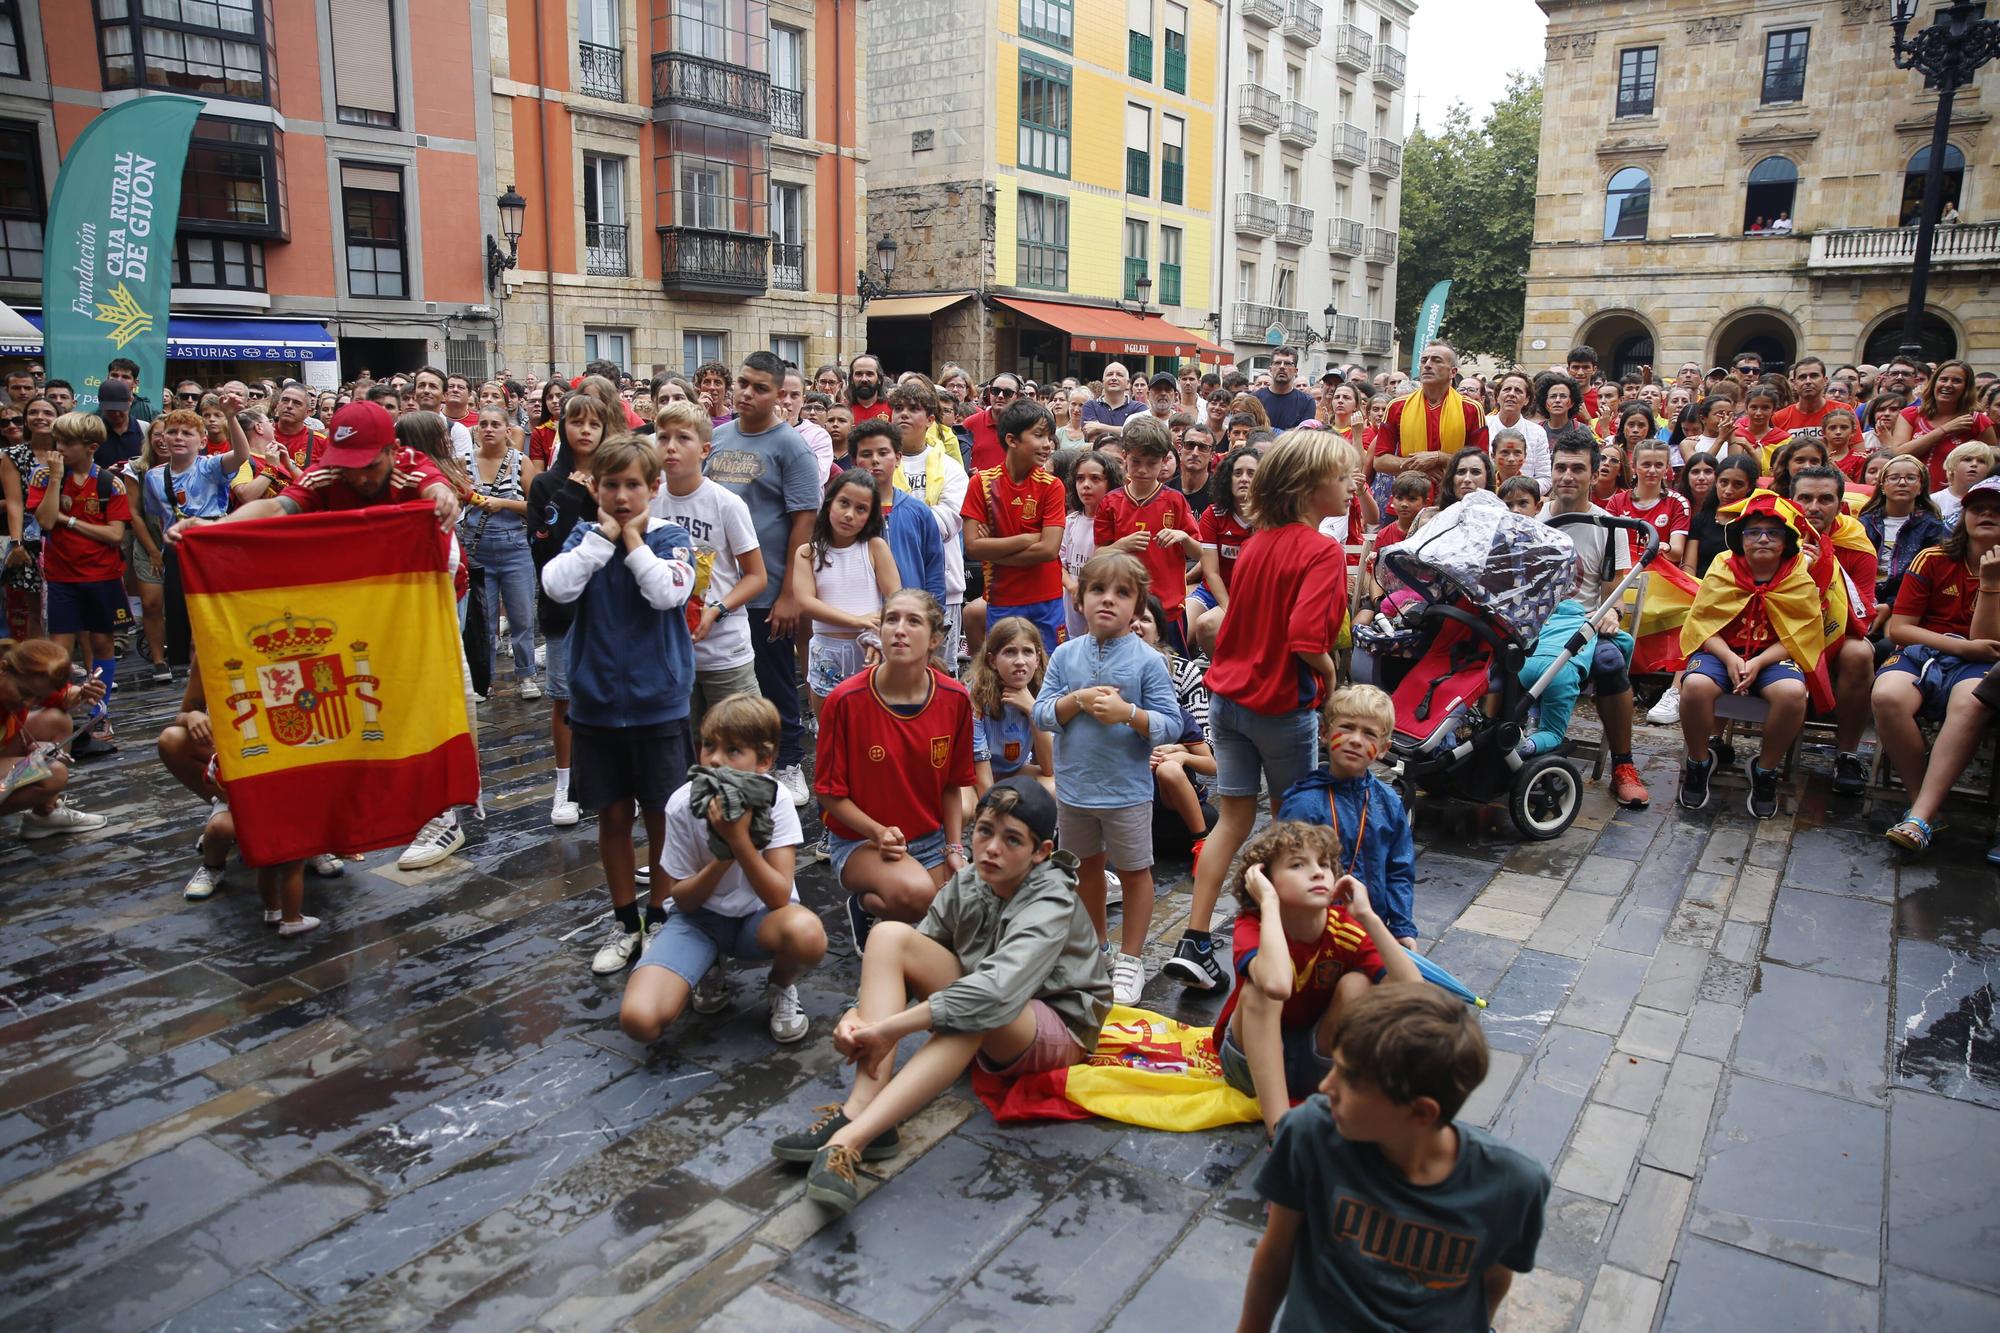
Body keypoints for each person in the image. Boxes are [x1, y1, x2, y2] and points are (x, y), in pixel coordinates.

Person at [770, 777, 1111, 1214]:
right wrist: (858, 1018)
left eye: (1012, 840)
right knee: (890, 936)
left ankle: (849, 1142)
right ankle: (860, 1110)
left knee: (974, 1015)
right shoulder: (970, 880)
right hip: (994, 1003)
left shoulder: (1052, 897)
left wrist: (886, 1029)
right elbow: (917, 956)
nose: (991, 848)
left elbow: (992, 995)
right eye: (985, 831)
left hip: (1060, 1026)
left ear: (1041, 852)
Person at [1237, 985, 1551, 1333]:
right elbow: (1275, 1255)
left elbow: (1494, 1279)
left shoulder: (1512, 1184)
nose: (1325, 1086)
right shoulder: (1310, 1133)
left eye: (1349, 1079)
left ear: (1420, 1112)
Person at [1168, 432, 1353, 992]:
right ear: (1308, 487)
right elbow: (1304, 638)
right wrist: (1330, 676)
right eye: (1343, 478)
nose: (1351, 487)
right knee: (1295, 827)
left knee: (1233, 820)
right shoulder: (1320, 551)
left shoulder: (1256, 544)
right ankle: (1289, 944)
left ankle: (1195, 941)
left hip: (1227, 699)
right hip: (1278, 706)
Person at [540, 435, 698, 974]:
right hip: (598, 705)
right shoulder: (585, 538)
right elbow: (557, 588)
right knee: (610, 814)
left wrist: (633, 544)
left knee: (661, 816)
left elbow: (666, 593)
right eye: (612, 485)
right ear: (596, 488)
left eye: (634, 484)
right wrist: (600, 541)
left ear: (654, 488)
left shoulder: (672, 537)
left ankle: (660, 914)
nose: (623, 495)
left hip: (659, 704)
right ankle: (624, 918)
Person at [617, 694, 824, 1047]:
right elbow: (681, 897)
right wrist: (723, 856)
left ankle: (781, 984)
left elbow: (777, 896)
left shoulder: (776, 800)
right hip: (698, 921)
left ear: (764, 761)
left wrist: (739, 842)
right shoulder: (684, 803)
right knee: (640, 1021)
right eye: (709, 746)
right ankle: (704, 966)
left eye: (732, 751)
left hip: (758, 920)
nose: (714, 760)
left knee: (807, 933)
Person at [1213, 817, 1422, 1142]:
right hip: (1250, 1066)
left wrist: (1368, 917)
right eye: (1297, 864)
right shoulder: (1253, 925)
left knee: (1359, 984)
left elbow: (1416, 994)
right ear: (1265, 880)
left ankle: (1331, 1093)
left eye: (1324, 864)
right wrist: (1268, 903)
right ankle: (1282, 1130)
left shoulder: (1344, 927)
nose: (1317, 872)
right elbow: (1278, 985)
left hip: (1318, 1062)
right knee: (1259, 992)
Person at [1032, 550, 1178, 1004]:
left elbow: (1172, 724)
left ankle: (1131, 959)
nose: (1108, 600)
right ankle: (1096, 948)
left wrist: (1128, 713)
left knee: (1135, 872)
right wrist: (1074, 700)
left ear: (1138, 606)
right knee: (1086, 870)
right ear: (1079, 600)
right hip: (1075, 790)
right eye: (1097, 590)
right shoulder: (1064, 654)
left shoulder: (1147, 660)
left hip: (1127, 791)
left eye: (1122, 593)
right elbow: (1040, 712)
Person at [814, 589, 974, 945]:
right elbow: (827, 793)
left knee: (962, 915)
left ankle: (889, 909)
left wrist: (954, 850)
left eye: (913, 621)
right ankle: (866, 905)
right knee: (917, 897)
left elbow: (952, 785)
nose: (899, 629)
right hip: (860, 842)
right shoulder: (846, 700)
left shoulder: (955, 698)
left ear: (935, 639)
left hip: (929, 838)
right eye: (892, 619)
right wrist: (876, 832)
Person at [706, 351, 821, 806]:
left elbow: (804, 521)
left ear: (779, 395)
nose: (747, 394)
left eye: (760, 387)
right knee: (727, 680)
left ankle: (790, 762)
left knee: (774, 680)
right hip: (720, 588)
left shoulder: (791, 446)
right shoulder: (717, 437)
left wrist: (792, 592)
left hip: (768, 588)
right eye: (743, 383)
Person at [1675, 495, 1828, 818]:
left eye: (1773, 533)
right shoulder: (1722, 566)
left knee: (1792, 694)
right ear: (1739, 538)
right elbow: (1701, 622)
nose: (1762, 539)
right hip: (1721, 652)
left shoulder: (1798, 573)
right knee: (1695, 687)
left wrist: (1758, 662)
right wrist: (1730, 658)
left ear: (1786, 540)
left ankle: (1765, 770)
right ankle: (1699, 761)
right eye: (1753, 532)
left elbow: (1803, 632)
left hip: (1771, 658)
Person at [1876, 478, 2000, 850]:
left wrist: (1991, 584)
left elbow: (1987, 640)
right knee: (1887, 697)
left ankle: (1920, 817)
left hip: (1984, 661)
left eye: (1997, 510)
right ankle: (1923, 806)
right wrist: (1958, 647)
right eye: (1979, 508)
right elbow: (1899, 628)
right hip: (1927, 651)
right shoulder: (1933, 558)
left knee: (1971, 703)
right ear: (1963, 515)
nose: (1987, 515)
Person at [1539, 428, 1649, 808]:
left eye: (1577, 469)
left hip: (1584, 625)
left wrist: (1612, 614)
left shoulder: (1611, 525)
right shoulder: (1532, 519)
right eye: (1560, 468)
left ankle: (1623, 763)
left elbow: (1614, 592)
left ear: (1594, 472)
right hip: (1535, 626)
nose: (1567, 476)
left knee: (1610, 661)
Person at [649, 400, 768, 734]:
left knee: (740, 739)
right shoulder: (649, 501)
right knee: (682, 749)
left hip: (724, 651)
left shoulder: (726, 503)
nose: (670, 447)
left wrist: (716, 609)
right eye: (663, 437)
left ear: (704, 450)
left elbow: (757, 576)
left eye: (682, 438)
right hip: (670, 653)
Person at [1273, 683, 1418, 945]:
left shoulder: (1387, 803)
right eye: (1347, 727)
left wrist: (1402, 928)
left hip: (1371, 930)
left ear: (1384, 748)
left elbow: (1399, 868)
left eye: (1369, 734)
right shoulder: (1304, 804)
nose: (1355, 740)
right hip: (1314, 933)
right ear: (1326, 733)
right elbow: (1284, 873)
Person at [528, 391, 614, 827]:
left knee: (605, 692)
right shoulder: (547, 483)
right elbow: (545, 548)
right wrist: (568, 495)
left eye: (593, 424)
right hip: (564, 609)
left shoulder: (614, 480)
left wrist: (600, 494)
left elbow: (622, 533)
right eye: (576, 422)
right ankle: (565, 783)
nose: (584, 430)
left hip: (608, 606)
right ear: (563, 427)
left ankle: (606, 780)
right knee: (564, 696)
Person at [28, 412, 127, 748]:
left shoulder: (108, 483)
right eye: (58, 441)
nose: (59, 449)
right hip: (61, 576)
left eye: (67, 443)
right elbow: (44, 519)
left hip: (103, 575)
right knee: (59, 650)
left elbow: (114, 535)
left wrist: (68, 522)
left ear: (91, 447)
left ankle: (99, 711)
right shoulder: (44, 477)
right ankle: (59, 710)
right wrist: (56, 479)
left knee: (102, 644)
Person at [1789, 466, 1878, 794]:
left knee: (1859, 653)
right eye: (1805, 498)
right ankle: (1713, 744)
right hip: (1779, 633)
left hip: (1837, 634)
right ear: (1791, 502)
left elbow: (1863, 612)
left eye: (1825, 499)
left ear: (1841, 505)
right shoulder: (1773, 534)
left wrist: (1825, 569)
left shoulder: (1855, 544)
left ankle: (1848, 754)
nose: (1814, 506)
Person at [963, 397, 1067, 652]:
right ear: (1011, 440)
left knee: (1048, 673)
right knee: (1005, 673)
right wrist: (1028, 538)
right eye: (1039, 435)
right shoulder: (982, 483)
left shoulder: (1052, 486)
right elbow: (973, 548)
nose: (1047, 445)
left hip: (1047, 597)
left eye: (1050, 437)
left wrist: (995, 549)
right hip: (1002, 597)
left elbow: (1048, 550)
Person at [795, 469, 900, 709]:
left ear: (870, 515)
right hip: (826, 652)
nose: (849, 515)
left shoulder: (875, 548)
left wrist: (875, 637)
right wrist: (855, 620)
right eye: (844, 503)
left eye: (861, 509)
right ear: (830, 503)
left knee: (872, 727)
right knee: (829, 730)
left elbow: (896, 599)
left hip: (869, 649)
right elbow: (805, 602)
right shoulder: (807, 552)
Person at [1095, 415, 1198, 653]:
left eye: (1151, 463)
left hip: (1168, 609)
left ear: (1164, 461)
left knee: (1172, 675)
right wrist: (1121, 545)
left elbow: (1200, 551)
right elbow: (1098, 555)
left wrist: (1182, 537)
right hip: (1124, 608)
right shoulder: (1111, 502)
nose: (1142, 470)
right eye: (1136, 461)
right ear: (1125, 457)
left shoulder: (1175, 500)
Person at [888, 378, 971, 666]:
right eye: (898, 408)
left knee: (940, 671)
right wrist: (925, 510)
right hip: (890, 586)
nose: (903, 415)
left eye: (913, 408)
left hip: (943, 587)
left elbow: (947, 523)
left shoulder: (951, 469)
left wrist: (899, 514)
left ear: (931, 419)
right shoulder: (880, 464)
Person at [461, 404, 540, 699]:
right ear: (476, 430)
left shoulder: (520, 461)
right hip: (477, 549)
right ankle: (484, 680)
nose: (489, 429)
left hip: (515, 548)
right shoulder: (464, 462)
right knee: (483, 620)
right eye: (484, 424)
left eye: (496, 424)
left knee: (521, 617)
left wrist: (503, 503)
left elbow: (536, 508)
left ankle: (527, 675)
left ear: (508, 430)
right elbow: (456, 503)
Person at [0, 636, 109, 835]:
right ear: (3, 669)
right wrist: (30, 765)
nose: (29, 703)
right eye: (24, 693)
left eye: (38, 697)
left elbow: (66, 697)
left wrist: (85, 692)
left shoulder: (23, 680)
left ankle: (45, 814)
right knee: (53, 773)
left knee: (57, 720)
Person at [849, 419, 945, 610]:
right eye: (866, 454)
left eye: (883, 453)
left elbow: (934, 569)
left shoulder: (918, 511)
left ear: (898, 458)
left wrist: (934, 615)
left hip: (909, 616)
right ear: (854, 462)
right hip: (857, 618)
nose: (875, 460)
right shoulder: (844, 514)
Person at [965, 615, 1053, 807]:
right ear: (992, 660)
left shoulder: (1042, 690)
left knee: (1055, 787)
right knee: (968, 807)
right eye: (1010, 652)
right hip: (974, 776)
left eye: (1027, 652)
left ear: (1037, 659)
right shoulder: (976, 695)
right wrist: (992, 805)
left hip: (1014, 771)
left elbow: (1049, 767)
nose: (1020, 661)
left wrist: (1033, 710)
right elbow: (980, 761)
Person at [1372, 343, 1488, 485]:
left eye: (1436, 360)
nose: (1427, 365)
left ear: (1453, 372)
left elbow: (1482, 461)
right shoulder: (1396, 406)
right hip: (1410, 496)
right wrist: (1418, 468)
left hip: (1455, 496)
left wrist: (1439, 457)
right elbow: (1379, 461)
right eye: (1423, 360)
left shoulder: (1471, 409)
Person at [1859, 454, 1948, 634]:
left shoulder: (1932, 527)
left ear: (1920, 486)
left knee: (1890, 639)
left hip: (1907, 603)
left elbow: (1929, 578)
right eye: (1894, 478)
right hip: (1863, 599)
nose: (1902, 483)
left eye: (1910, 478)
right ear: (1882, 486)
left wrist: (1890, 606)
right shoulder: (1863, 523)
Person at [1891, 358, 1998, 491]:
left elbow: (1991, 464)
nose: (1948, 385)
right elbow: (1898, 453)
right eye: (1943, 379)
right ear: (1934, 383)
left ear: (1966, 387)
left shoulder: (1978, 421)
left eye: (1956, 381)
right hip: (1911, 496)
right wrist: (1944, 430)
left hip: (1955, 501)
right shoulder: (1910, 415)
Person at [1191, 443, 1259, 649]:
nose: (1244, 478)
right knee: (1179, 625)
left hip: (1252, 596)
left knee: (1206, 625)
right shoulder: (1213, 515)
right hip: (1213, 591)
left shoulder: (1271, 518)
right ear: (1228, 479)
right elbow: (1211, 572)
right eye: (1237, 473)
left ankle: (1223, 677)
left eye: (1251, 473)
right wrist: (1229, 609)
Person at [1059, 449, 1121, 642]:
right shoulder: (1070, 522)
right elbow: (1059, 563)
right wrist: (1072, 587)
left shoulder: (1117, 522)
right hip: (1072, 604)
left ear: (1110, 482)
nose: (1086, 485)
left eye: (1095, 479)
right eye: (1080, 479)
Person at [1605, 436, 1690, 565]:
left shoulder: (1678, 503)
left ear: (1667, 468)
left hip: (1661, 576)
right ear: (1633, 466)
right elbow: (1607, 544)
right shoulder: (1616, 502)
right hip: (1624, 574)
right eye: (1646, 465)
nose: (1652, 470)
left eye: (1659, 465)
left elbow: (1677, 553)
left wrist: (1665, 548)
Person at [1929, 440, 1994, 529]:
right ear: (1952, 466)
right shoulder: (1933, 501)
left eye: (1981, 461)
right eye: (1967, 459)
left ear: (1988, 470)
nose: (1974, 464)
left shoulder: (1994, 501)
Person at [1255, 347, 1317, 431]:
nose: (1282, 367)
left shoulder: (1307, 402)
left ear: (1295, 371)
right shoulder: (1255, 399)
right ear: (1270, 369)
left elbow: (1303, 437)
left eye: (1287, 363)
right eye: (1277, 363)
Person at [1081, 362, 1144, 442]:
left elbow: (1139, 435)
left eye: (1119, 375)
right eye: (1110, 374)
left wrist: (1099, 427)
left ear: (1128, 383)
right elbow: (1092, 437)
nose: (1114, 378)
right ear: (1103, 381)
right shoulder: (1090, 406)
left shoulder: (1139, 408)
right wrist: (1124, 431)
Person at [92, 378, 146, 469]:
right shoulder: (92, 431)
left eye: (121, 409)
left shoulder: (144, 429)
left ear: (131, 401)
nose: (116, 414)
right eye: (110, 410)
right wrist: (105, 475)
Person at [1774, 356, 1834, 433]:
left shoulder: (1842, 410)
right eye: (1802, 377)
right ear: (1794, 384)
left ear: (1825, 381)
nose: (1808, 381)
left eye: (1814, 376)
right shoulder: (1779, 418)